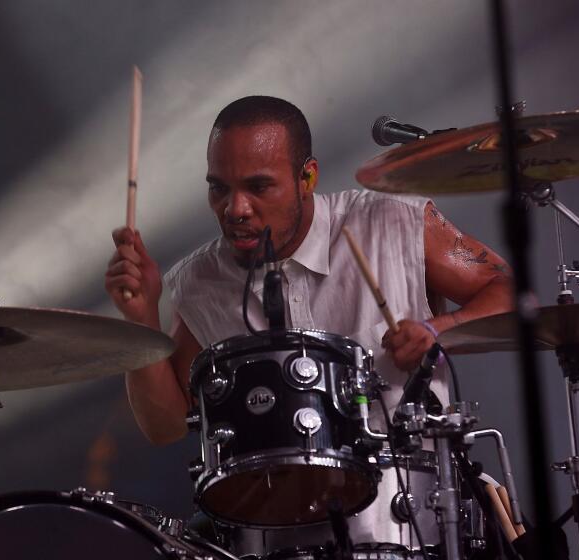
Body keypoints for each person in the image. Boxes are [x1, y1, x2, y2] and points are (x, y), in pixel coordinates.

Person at [105, 96, 513, 548]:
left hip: (414, 515)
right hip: (279, 525)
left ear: (308, 178)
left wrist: (438, 332)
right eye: (219, 188)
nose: (235, 208)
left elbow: (509, 293)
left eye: (259, 187)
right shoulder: (201, 281)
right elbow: (163, 427)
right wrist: (139, 317)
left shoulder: (391, 222)